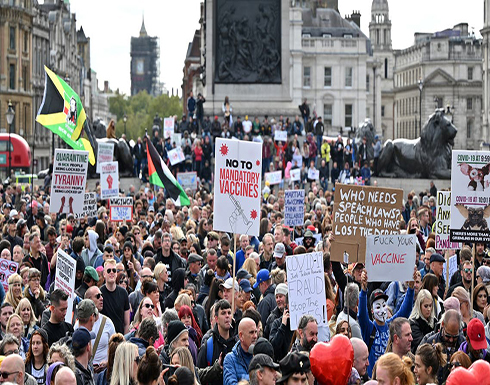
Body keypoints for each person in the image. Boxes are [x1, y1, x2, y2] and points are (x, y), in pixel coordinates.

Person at [358, 270, 415, 377]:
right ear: (372, 311)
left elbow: (405, 311)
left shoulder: (391, 325)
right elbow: (361, 315)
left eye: (384, 305)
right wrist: (364, 290)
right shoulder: (369, 328)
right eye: (378, 307)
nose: (383, 310)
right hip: (374, 379)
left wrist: (411, 289)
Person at [420, 310, 464, 384]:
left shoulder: (463, 344)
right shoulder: (431, 341)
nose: (451, 340)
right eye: (448, 336)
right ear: (443, 324)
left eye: (455, 336)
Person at [84, 286, 116, 370]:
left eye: (102, 296)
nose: (101, 298)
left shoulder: (108, 323)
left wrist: (107, 363)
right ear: (89, 299)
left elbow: (116, 349)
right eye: (98, 296)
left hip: (104, 375)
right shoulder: (79, 325)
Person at [223, 318, 257, 385]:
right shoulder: (230, 359)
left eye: (256, 332)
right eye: (251, 332)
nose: (255, 336)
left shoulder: (260, 356)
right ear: (241, 336)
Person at [100, 259, 130, 334]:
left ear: (116, 274)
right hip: (104, 337)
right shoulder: (100, 293)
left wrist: (124, 340)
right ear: (104, 274)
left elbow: (126, 323)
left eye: (114, 270)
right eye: (109, 271)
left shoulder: (124, 293)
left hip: (120, 337)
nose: (111, 273)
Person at [408, 289, 435, 353]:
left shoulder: (435, 321)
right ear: (419, 306)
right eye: (426, 306)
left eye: (430, 305)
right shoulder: (413, 323)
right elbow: (421, 345)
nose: (429, 309)